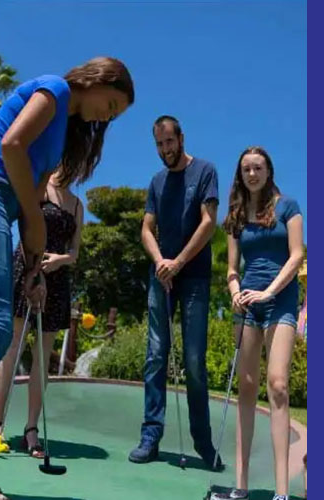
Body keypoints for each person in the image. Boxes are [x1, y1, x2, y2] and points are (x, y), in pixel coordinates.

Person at [0, 56, 134, 385]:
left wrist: (33, 268)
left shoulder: (64, 134)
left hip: (5, 212)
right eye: (111, 104)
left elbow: (33, 200)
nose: (108, 116)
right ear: (97, 79)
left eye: (114, 115)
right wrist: (34, 217)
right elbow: (12, 146)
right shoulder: (54, 89)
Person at [210, 147, 304, 500]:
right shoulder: (235, 216)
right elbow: (233, 269)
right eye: (246, 169)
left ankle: (281, 493)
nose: (252, 174)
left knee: (278, 385)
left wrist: (268, 292)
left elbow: (297, 255)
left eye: (258, 168)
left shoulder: (288, 207)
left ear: (269, 171)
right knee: (246, 389)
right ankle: (241, 487)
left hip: (279, 302)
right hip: (247, 306)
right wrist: (235, 289)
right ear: (241, 174)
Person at [130, 115, 222, 470]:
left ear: (181, 138)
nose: (165, 149)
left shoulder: (205, 172)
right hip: (161, 276)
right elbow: (146, 229)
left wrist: (178, 263)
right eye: (159, 145)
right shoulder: (156, 182)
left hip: (194, 276)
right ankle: (151, 436)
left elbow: (209, 222)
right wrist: (160, 263)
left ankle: (203, 442)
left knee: (195, 362)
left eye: (169, 142)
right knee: (156, 355)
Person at [0, 166, 83, 458]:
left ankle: (31, 430)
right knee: (11, 349)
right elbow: (24, 226)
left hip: (56, 280)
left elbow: (75, 252)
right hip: (27, 268)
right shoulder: (39, 187)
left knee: (42, 359)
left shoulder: (77, 205)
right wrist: (35, 265)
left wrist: (60, 260)